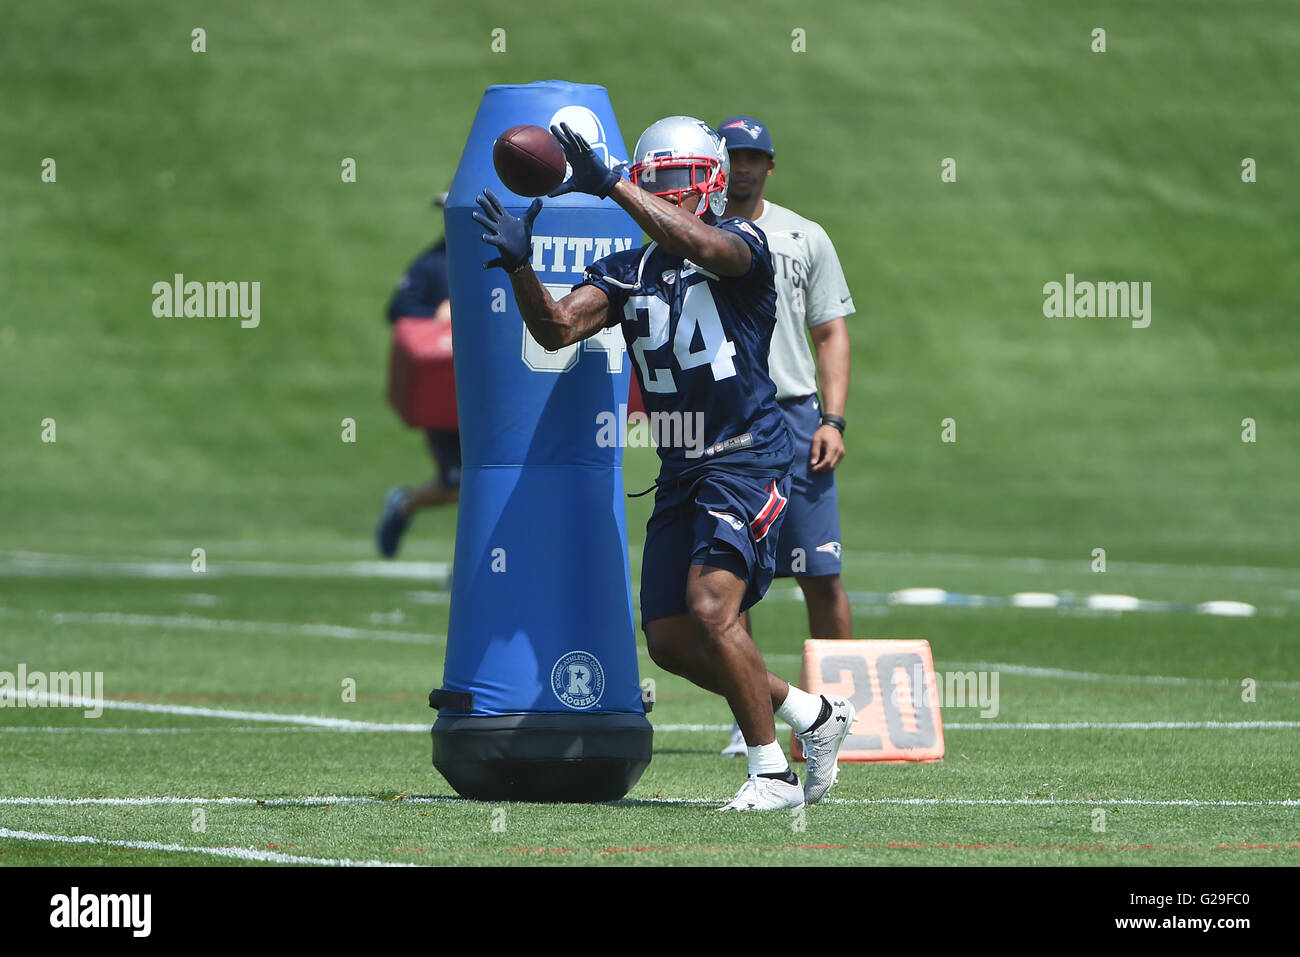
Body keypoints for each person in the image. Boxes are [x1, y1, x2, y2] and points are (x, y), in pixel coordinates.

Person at [472, 116, 855, 811]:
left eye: (682, 181)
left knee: (712, 605)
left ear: (710, 182)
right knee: (673, 640)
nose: (672, 195)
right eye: (660, 182)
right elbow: (556, 329)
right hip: (682, 467)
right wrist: (520, 266)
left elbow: (698, 242)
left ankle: (771, 773)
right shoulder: (629, 270)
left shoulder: (744, 243)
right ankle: (813, 714)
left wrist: (615, 184)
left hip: (746, 456)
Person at [714, 117, 857, 757]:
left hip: (797, 417)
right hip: (724, 419)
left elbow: (829, 332)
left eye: (755, 157)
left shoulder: (805, 236)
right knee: (724, 577)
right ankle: (764, 722)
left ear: (771, 165)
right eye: (733, 156)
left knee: (819, 572)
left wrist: (833, 418)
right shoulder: (695, 233)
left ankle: (838, 711)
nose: (742, 167)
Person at [375, 190, 461, 558]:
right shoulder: (430, 265)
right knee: (457, 482)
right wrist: (437, 319)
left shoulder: (500, 256)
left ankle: (477, 567)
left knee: (493, 477)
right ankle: (404, 505)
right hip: (445, 390)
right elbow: (400, 311)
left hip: (491, 390)